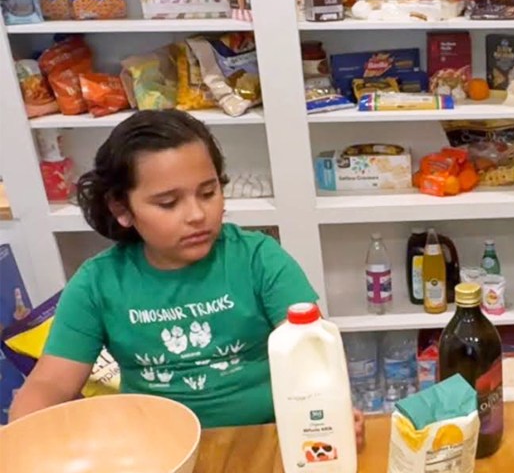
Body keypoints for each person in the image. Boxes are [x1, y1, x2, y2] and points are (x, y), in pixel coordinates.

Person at [10, 110, 364, 446]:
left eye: (208, 193)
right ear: (121, 209)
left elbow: (316, 358)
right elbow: (50, 383)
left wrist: (332, 413)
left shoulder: (259, 258)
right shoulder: (97, 282)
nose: (197, 215)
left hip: (271, 439)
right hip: (154, 451)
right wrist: (23, 443)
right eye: (168, 203)